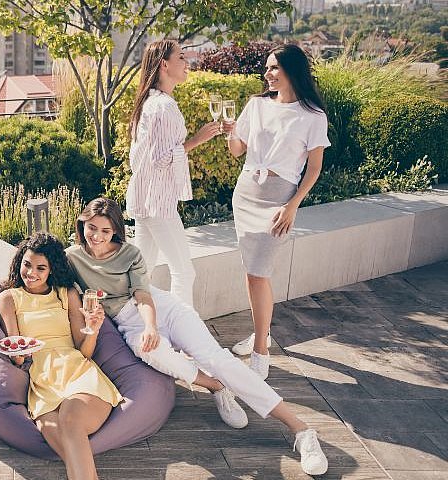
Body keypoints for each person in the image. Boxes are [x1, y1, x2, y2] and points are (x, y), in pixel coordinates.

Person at [65, 197, 329, 476]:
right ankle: (215, 387)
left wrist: (152, 326)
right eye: (92, 228)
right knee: (153, 353)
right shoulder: (73, 257)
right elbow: (42, 266)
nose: (97, 236)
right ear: (82, 224)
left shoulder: (130, 254)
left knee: (218, 359)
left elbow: (143, 295)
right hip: (127, 322)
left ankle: (301, 430)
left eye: (105, 231)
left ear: (116, 231)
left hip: (159, 309)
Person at [226, 44, 331, 379]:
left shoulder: (313, 116)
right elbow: (236, 152)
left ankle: (261, 348)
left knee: (259, 272)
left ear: (292, 71)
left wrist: (292, 205)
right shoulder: (256, 105)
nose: (267, 74)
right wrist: (230, 133)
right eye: (266, 68)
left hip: (278, 200)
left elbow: (313, 168)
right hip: (245, 193)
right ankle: (262, 333)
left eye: (274, 68)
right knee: (251, 272)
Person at [0, 232, 122, 480]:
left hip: (76, 372)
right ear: (19, 261)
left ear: (52, 270)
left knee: (71, 418)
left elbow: (83, 350)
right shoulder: (9, 298)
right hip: (42, 383)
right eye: (27, 264)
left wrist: (93, 330)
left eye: (41, 268)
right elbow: (17, 356)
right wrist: (18, 353)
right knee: (63, 443)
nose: (31, 273)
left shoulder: (66, 293)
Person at [126, 39, 224, 307]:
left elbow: (142, 157)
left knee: (141, 271)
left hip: (146, 198)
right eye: (181, 57)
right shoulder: (164, 107)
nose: (187, 62)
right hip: (158, 202)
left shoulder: (151, 101)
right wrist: (197, 139)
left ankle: (133, 325)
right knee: (183, 271)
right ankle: (185, 337)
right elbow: (160, 159)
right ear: (164, 65)